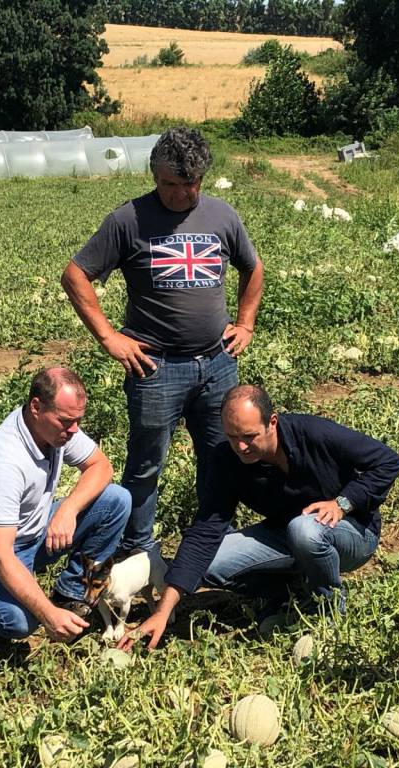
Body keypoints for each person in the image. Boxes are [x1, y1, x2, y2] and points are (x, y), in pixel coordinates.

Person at [62, 126, 264, 556]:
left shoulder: (222, 216)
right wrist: (109, 337)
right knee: (146, 464)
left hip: (217, 362)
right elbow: (75, 274)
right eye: (167, 183)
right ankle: (137, 548)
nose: (176, 193)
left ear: (202, 178)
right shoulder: (128, 220)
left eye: (187, 184)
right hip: (155, 368)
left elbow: (254, 268)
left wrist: (245, 322)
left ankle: (212, 543)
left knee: (219, 458)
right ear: (155, 176)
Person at [121, 384, 399, 650]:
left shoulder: (314, 433)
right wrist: (164, 609)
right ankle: (290, 590)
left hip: (352, 532)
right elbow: (206, 529)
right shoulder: (227, 461)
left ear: (272, 422)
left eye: (249, 436)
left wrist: (342, 503)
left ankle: (328, 608)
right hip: (287, 534)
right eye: (232, 437)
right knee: (208, 564)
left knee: (305, 530)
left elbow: (388, 461)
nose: (241, 447)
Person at [0, 367, 130, 642]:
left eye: (78, 420)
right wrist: (48, 614)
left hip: (35, 531)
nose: (74, 430)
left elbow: (101, 467)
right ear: (36, 407)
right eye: (66, 421)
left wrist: (68, 510)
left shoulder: (56, 430)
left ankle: (70, 593)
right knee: (19, 623)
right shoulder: (4, 461)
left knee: (116, 500)